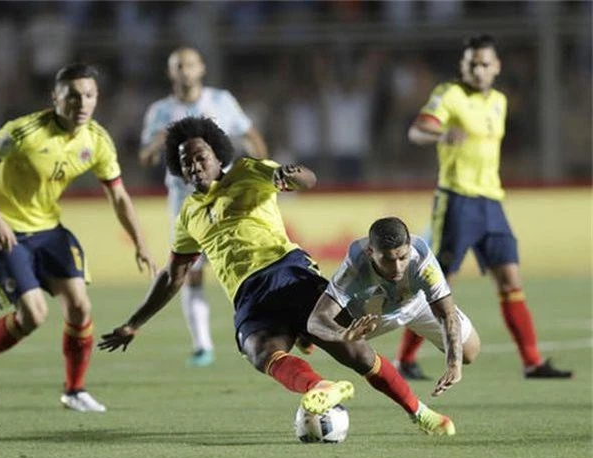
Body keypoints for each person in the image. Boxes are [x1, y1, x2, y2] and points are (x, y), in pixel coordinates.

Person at [98, 116, 456, 436]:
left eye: (199, 156)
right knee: (259, 351)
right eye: (184, 161)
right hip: (247, 296)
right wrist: (135, 322)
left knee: (357, 354)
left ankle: (420, 413)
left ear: (218, 156)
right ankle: (320, 387)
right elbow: (173, 276)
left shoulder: (247, 171)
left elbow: (305, 179)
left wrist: (289, 174)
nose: (192, 165)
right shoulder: (188, 215)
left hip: (287, 273)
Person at [0, 63, 157, 413]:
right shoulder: (24, 132)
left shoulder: (96, 140)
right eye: (73, 95)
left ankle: (74, 390)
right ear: (56, 98)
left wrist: (140, 242)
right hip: (8, 231)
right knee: (33, 316)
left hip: (49, 229)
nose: (81, 102)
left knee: (80, 306)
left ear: (97, 99)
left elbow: (120, 196)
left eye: (89, 95)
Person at [396, 34, 572, 380]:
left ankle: (532, 362)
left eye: (484, 63)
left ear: (496, 67)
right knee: (439, 283)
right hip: (457, 201)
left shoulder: (500, 102)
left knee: (511, 280)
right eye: (472, 63)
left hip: (492, 202)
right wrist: (442, 135)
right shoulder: (449, 95)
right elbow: (417, 132)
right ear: (463, 66)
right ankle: (405, 359)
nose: (478, 69)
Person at [138, 46, 268, 367]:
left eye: (190, 64)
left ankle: (265, 327)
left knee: (246, 264)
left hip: (226, 197)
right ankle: (202, 347)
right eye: (178, 65)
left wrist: (263, 171)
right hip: (184, 203)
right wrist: (161, 140)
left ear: (202, 69)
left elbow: (250, 135)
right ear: (171, 73)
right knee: (189, 274)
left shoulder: (221, 101)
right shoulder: (160, 111)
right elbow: (145, 157)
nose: (185, 70)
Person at [308, 216, 481, 398]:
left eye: (402, 257)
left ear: (409, 249)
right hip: (367, 318)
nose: (397, 267)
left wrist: (454, 365)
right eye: (388, 260)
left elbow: (447, 314)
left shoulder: (423, 262)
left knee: (469, 353)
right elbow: (316, 320)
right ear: (370, 252)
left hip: (416, 304)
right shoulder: (355, 266)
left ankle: (418, 325)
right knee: (319, 334)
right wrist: (342, 335)